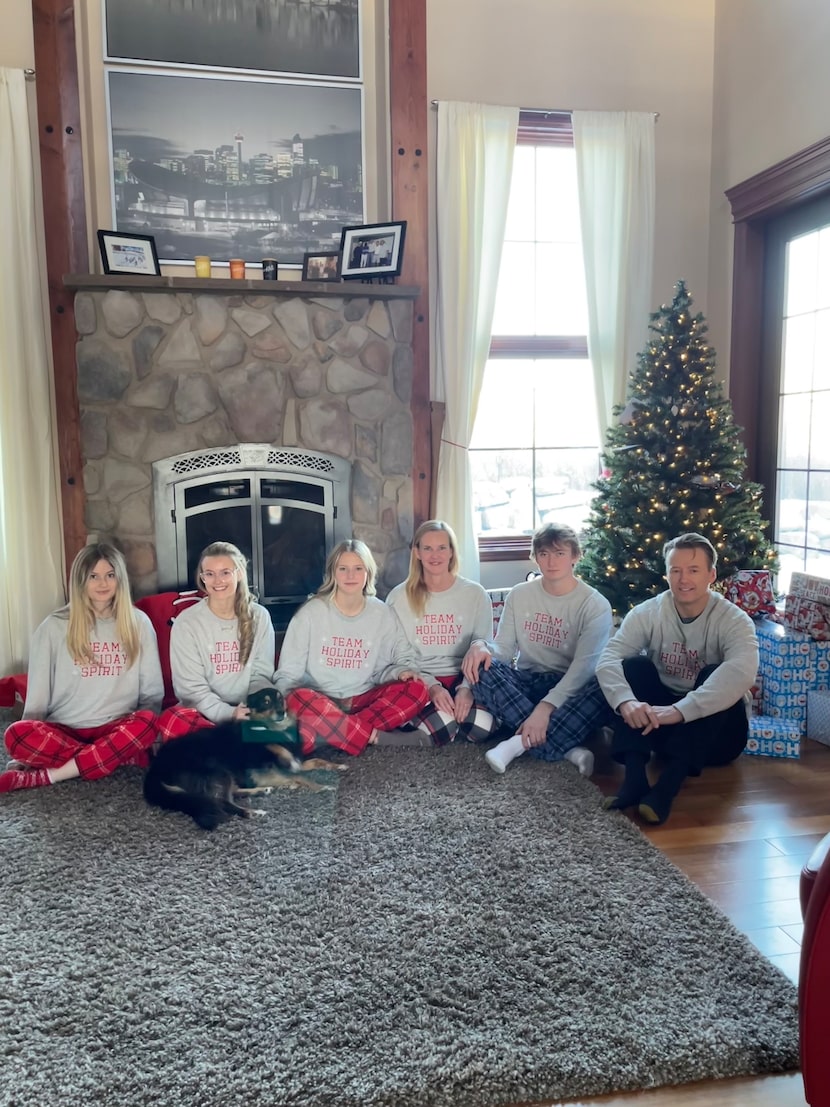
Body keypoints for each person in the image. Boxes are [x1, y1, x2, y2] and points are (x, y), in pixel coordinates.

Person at [595, 532, 759, 825]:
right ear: (666, 574)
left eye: (694, 570)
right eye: (676, 570)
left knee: (716, 676)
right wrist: (626, 702)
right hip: (658, 727)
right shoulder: (649, 612)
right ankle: (634, 781)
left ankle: (666, 789)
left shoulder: (733, 620)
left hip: (718, 740)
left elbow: (742, 672)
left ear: (712, 574)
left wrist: (679, 711)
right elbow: (608, 658)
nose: (684, 579)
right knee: (634, 666)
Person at [1, 542, 163, 793]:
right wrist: (24, 755)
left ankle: (46, 777)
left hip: (117, 727)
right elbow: (37, 696)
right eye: (93, 576)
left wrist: (145, 734)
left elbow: (152, 693)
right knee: (16, 736)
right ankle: (118, 757)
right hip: (65, 730)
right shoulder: (53, 627)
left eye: (110, 575)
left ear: (120, 579)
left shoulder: (138, 623)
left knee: (150, 721)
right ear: (80, 580)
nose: (103, 583)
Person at [462, 522, 613, 776]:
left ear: (575, 556)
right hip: (527, 683)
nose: (551, 561)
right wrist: (480, 646)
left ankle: (516, 743)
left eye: (560, 553)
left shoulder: (595, 604)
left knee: (604, 685)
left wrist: (546, 708)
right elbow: (503, 650)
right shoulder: (519, 594)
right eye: (544, 554)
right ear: (536, 557)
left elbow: (583, 670)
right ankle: (567, 749)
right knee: (481, 665)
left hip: (570, 689)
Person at [273, 539, 430, 755]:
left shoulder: (382, 613)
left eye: (358, 569)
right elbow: (288, 674)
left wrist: (400, 671)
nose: (350, 575)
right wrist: (284, 703)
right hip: (316, 699)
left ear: (368, 573)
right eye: (343, 569)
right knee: (298, 698)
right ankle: (375, 737)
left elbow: (402, 658)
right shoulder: (311, 612)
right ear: (333, 573)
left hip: (361, 700)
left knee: (417, 689)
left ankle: (331, 732)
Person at [386, 520, 497, 745]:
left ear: (452, 552)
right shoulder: (398, 598)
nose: (434, 555)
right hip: (420, 680)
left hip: (466, 677)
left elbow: (483, 644)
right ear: (416, 552)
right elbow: (399, 657)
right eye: (427, 548)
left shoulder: (475, 594)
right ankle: (434, 723)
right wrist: (433, 688)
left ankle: (429, 723)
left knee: (482, 728)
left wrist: (466, 689)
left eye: (441, 548)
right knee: (443, 728)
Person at [157, 541, 275, 741]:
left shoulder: (259, 616)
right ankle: (237, 751)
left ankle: (228, 751)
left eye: (225, 572)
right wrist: (228, 714)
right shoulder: (187, 622)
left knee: (287, 720)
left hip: (246, 709)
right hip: (203, 713)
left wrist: (251, 709)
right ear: (202, 578)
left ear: (238, 574)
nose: (217, 580)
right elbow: (191, 690)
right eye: (209, 573)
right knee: (173, 721)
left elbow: (260, 674)